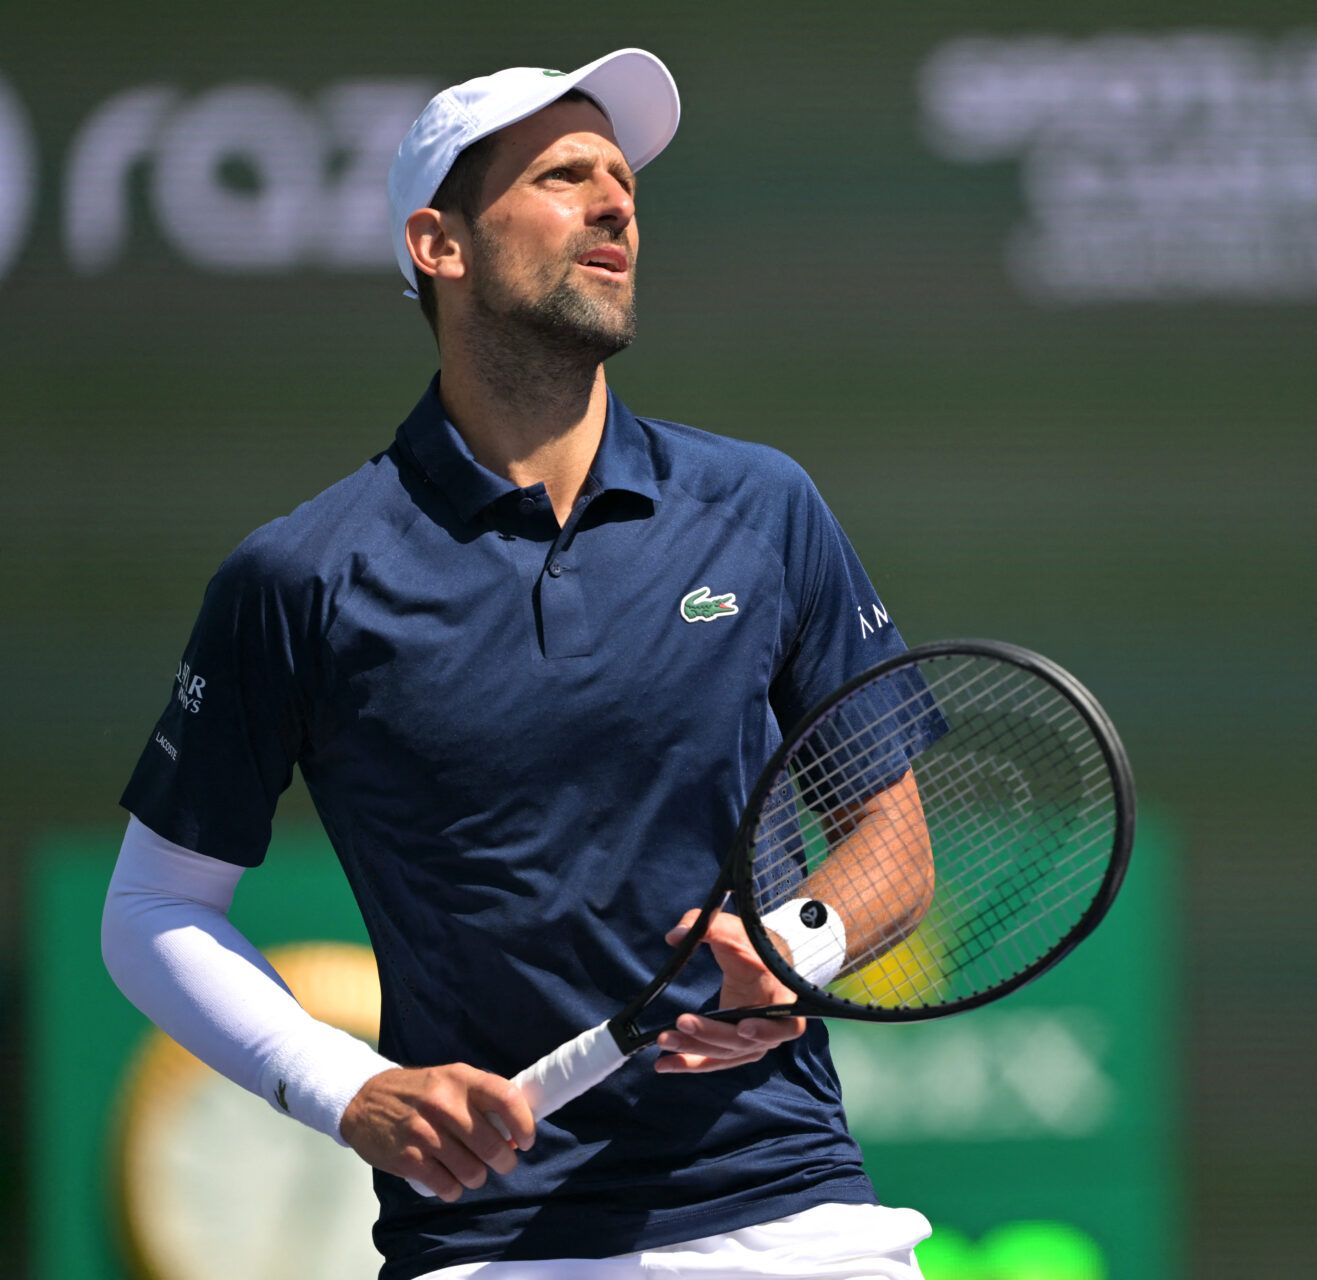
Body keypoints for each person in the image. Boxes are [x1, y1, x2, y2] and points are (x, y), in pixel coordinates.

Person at [101, 48, 931, 1279]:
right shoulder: (299, 577)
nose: (616, 204)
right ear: (440, 244)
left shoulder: (765, 505)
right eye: (564, 175)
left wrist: (799, 938)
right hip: (489, 1245)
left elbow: (895, 839)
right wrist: (351, 1090)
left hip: (793, 1214)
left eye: (625, 184)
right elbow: (152, 909)